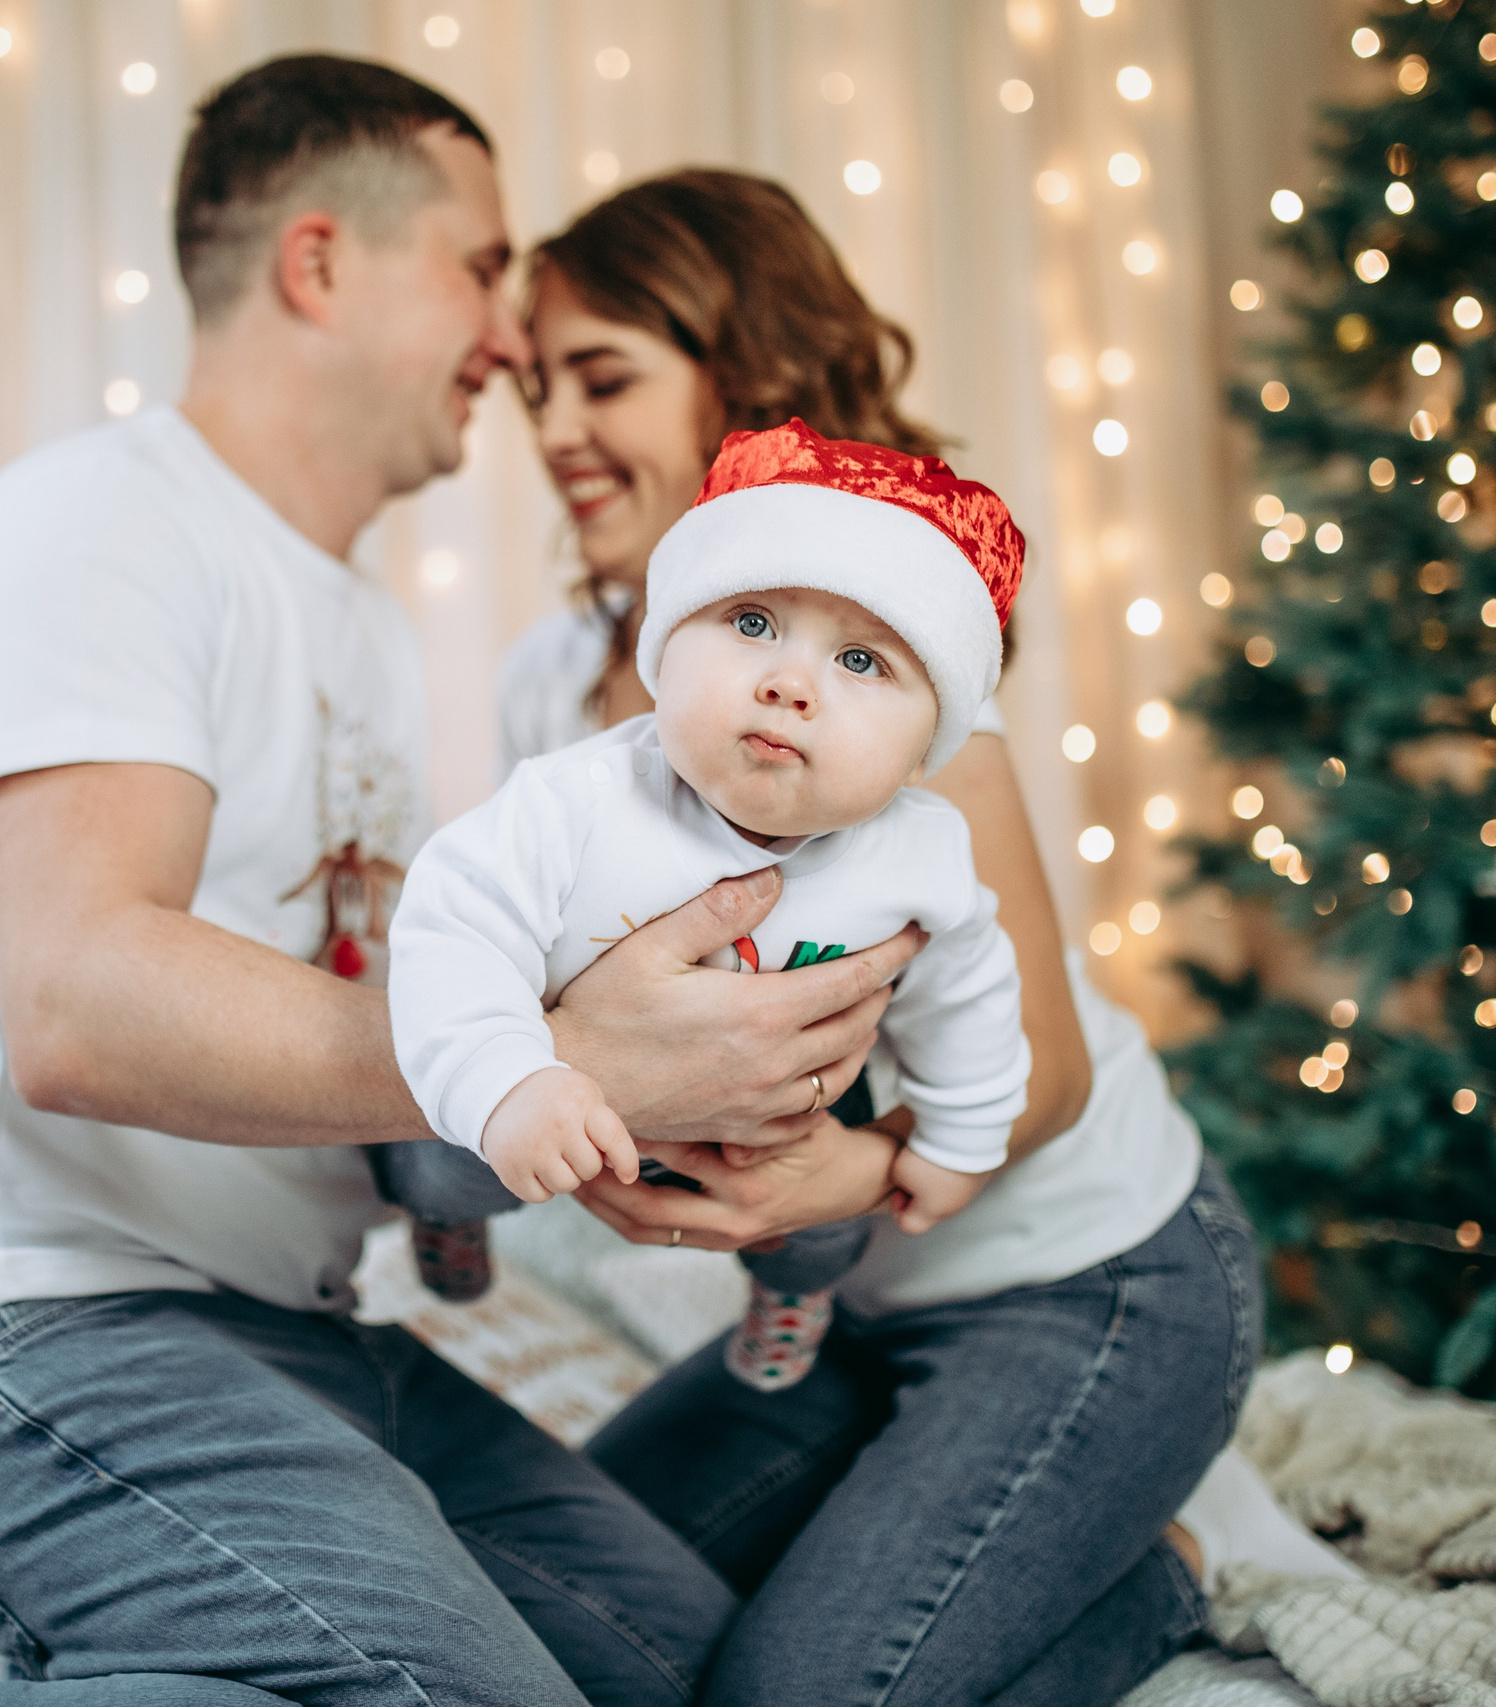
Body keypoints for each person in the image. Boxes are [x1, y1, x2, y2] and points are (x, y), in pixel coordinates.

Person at [0, 60, 927, 1707]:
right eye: (478, 265)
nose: (512, 334)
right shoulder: (102, 529)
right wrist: (549, 1057)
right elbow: (81, 999)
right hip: (20, 1329)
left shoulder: (371, 634)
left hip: (295, 1339)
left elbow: (358, 1014)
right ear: (319, 263)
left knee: (688, 1686)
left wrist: (497, 1153)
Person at [500, 169, 1263, 1707]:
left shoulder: (868, 651)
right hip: (841, 1312)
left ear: (737, 372)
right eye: (535, 386)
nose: (556, 431)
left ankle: (1154, 1581)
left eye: (602, 378)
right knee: (512, 1616)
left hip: (1088, 1279)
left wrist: (836, 1176)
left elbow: (1037, 1071)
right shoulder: (552, 686)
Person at [383, 420, 1034, 1392]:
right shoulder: (574, 801)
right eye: (752, 623)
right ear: (664, 647)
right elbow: (451, 926)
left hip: (777, 1101)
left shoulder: (921, 852)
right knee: (437, 1149)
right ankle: (444, 1216)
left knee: (824, 1228)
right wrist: (509, 1079)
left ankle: (791, 1293)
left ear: (924, 747)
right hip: (557, 1066)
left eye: (862, 663)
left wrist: (959, 1140)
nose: (787, 683)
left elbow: (971, 995)